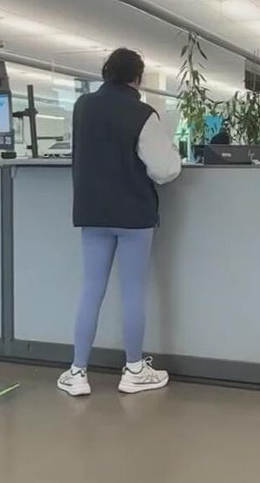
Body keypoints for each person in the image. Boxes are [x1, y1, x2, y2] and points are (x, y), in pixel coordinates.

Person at [58, 48, 182, 397]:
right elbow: (165, 170)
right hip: (133, 214)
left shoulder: (82, 107)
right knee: (132, 291)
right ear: (137, 79)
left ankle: (77, 372)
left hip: (92, 212)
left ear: (105, 73)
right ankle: (134, 370)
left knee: (91, 288)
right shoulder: (142, 114)